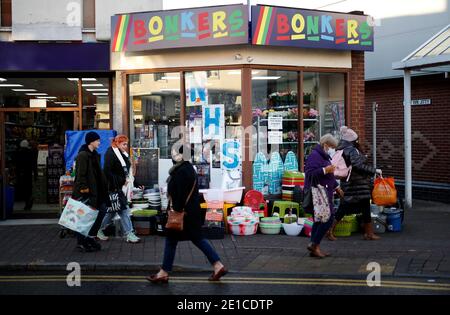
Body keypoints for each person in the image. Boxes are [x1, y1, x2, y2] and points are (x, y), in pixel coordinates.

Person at [147, 144, 227, 283]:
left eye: (174, 153)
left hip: (183, 214)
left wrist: (175, 211)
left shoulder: (181, 171)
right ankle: (217, 265)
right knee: (197, 239)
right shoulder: (187, 169)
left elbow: (180, 195)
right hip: (191, 212)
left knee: (173, 240)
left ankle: (164, 272)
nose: (172, 155)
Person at [329, 126, 382, 241]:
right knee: (345, 207)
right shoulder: (352, 150)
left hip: (350, 183)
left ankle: (369, 233)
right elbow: (358, 166)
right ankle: (329, 230)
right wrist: (374, 170)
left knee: (364, 207)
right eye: (356, 140)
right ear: (353, 140)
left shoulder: (342, 149)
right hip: (356, 184)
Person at [304, 134, 343, 258]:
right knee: (327, 219)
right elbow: (310, 173)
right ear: (326, 145)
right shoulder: (315, 156)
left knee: (319, 219)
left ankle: (313, 246)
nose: (333, 149)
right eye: (332, 147)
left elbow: (329, 176)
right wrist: (325, 170)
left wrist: (337, 187)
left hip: (325, 192)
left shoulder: (324, 155)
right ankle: (314, 245)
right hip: (319, 192)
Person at [97, 135, 140, 243]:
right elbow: (107, 171)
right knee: (123, 210)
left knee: (112, 211)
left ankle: (97, 229)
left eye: (126, 144)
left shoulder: (121, 154)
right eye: (124, 144)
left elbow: (127, 172)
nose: (126, 146)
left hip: (119, 186)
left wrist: (136, 182)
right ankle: (129, 233)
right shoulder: (110, 154)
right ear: (117, 143)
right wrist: (121, 181)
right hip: (112, 187)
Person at [72, 131, 109, 252]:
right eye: (97, 140)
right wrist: (84, 190)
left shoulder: (94, 154)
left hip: (97, 191)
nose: (99, 142)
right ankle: (82, 241)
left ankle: (90, 237)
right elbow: (80, 174)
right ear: (91, 141)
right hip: (87, 192)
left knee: (101, 211)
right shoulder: (83, 155)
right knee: (86, 217)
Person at [15, 140, 37, 210]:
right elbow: (33, 163)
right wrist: (35, 173)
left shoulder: (18, 152)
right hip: (28, 172)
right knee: (28, 188)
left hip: (21, 173)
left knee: (23, 188)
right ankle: (29, 200)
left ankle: (26, 201)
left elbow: (16, 162)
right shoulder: (30, 152)